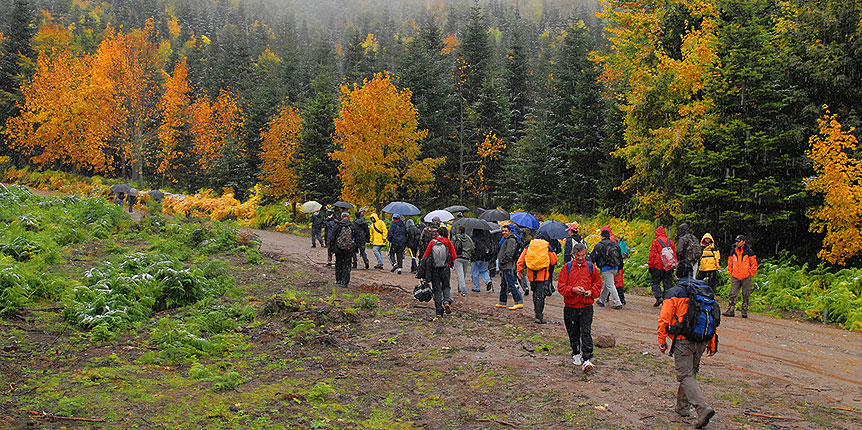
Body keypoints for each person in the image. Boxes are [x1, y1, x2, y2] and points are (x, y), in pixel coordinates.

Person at [657, 261, 718, 428]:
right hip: (702, 338)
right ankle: (682, 407)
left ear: (677, 275)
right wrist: (712, 341)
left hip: (683, 340)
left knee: (685, 375)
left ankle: (702, 408)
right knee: (690, 373)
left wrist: (662, 340)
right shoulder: (705, 290)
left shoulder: (675, 292)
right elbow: (712, 317)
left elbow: (664, 318)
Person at [557, 242, 601, 373]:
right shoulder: (567, 268)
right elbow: (561, 287)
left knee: (586, 331)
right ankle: (576, 353)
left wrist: (591, 292)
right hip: (570, 306)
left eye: (583, 255)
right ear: (573, 255)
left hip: (586, 305)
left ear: (586, 254)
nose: (581, 258)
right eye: (578, 255)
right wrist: (572, 290)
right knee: (573, 331)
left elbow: (598, 284)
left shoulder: (591, 267)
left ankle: (587, 357)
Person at [517, 236, 558, 324]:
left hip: (531, 276)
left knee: (535, 294)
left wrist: (519, 270)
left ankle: (536, 313)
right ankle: (539, 316)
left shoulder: (529, 246)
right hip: (543, 276)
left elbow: (520, 260)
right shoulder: (547, 247)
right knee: (541, 296)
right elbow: (553, 261)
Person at [422, 226, 457, 318]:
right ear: (447, 234)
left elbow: (426, 256)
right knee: (446, 286)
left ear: (438, 233)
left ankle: (438, 312)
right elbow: (454, 256)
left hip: (434, 269)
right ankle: (446, 300)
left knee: (437, 289)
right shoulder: (448, 242)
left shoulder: (432, 242)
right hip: (446, 268)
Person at [725, 235, 757, 318]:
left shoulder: (749, 252)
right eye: (737, 241)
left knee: (746, 294)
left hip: (746, 276)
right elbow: (730, 263)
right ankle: (731, 310)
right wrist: (731, 272)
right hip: (735, 276)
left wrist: (750, 273)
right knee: (732, 293)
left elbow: (754, 264)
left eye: (739, 241)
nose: (737, 243)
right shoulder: (733, 251)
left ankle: (744, 310)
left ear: (743, 242)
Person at [591, 229, 624, 309]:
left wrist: (591, 265)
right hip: (615, 267)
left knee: (610, 285)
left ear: (602, 236)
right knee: (607, 284)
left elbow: (594, 257)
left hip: (606, 268)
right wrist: (620, 268)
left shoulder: (600, 245)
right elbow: (620, 257)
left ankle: (617, 303)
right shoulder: (615, 244)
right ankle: (601, 300)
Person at [495, 224, 524, 310]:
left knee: (511, 284)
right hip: (505, 265)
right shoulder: (507, 239)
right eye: (503, 231)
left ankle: (518, 301)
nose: (504, 232)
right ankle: (502, 302)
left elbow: (509, 253)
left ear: (510, 231)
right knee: (503, 284)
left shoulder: (511, 240)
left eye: (505, 231)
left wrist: (502, 261)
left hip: (508, 265)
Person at [648, 226, 677, 307]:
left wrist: (650, 265)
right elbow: (674, 253)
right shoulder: (670, 241)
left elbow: (652, 254)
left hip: (658, 265)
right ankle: (666, 300)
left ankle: (658, 297)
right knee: (667, 282)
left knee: (655, 281)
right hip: (668, 265)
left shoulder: (656, 241)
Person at [331, 212, 358, 287]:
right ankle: (345, 282)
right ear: (349, 217)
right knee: (347, 264)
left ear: (341, 217)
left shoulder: (337, 225)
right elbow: (356, 238)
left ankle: (338, 279)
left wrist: (332, 248)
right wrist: (355, 248)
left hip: (339, 248)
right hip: (349, 249)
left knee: (339, 263)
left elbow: (332, 237)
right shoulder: (352, 226)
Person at [451, 225, 475, 296]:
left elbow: (451, 246)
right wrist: (467, 251)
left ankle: (463, 289)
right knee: (463, 274)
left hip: (458, 257)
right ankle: (460, 287)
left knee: (460, 274)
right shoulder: (468, 238)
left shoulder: (455, 237)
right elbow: (473, 246)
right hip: (466, 258)